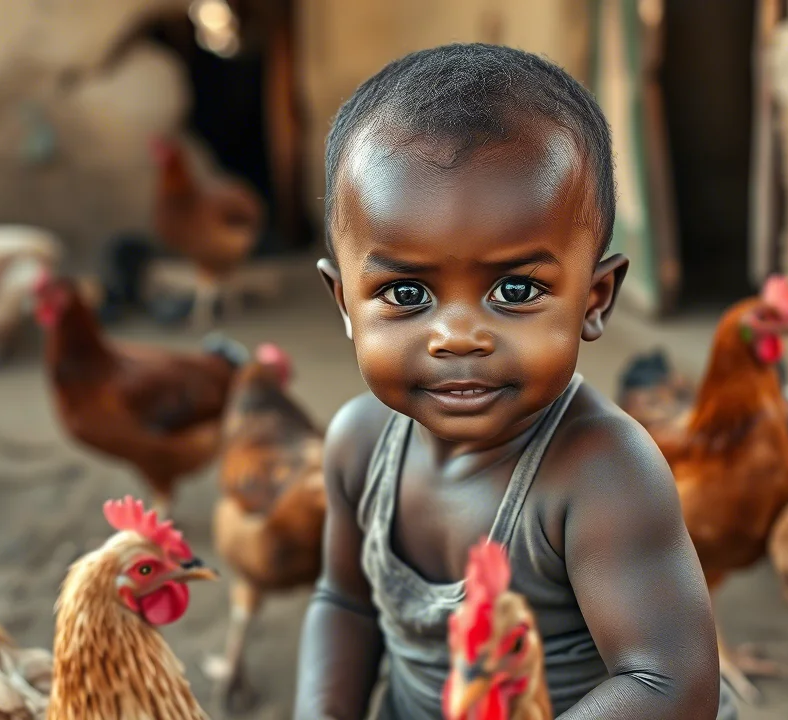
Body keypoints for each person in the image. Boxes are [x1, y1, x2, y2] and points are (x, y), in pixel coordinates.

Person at [293, 43, 734, 719]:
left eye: (516, 287)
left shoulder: (603, 472)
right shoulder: (358, 444)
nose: (459, 334)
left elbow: (669, 684)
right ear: (345, 305)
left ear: (594, 298)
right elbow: (344, 602)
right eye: (407, 293)